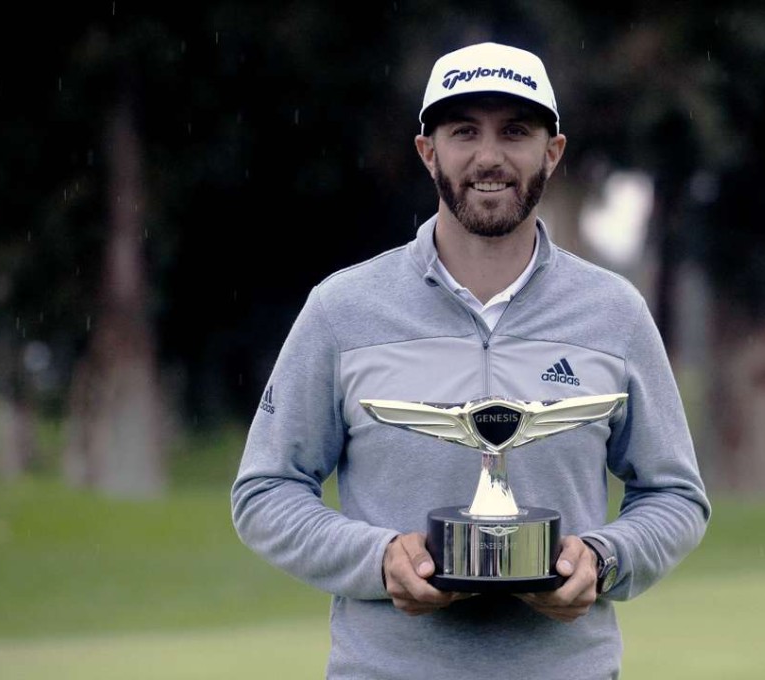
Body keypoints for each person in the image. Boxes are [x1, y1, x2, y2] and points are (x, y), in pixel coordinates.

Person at [231, 41, 711, 679]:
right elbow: (266, 491)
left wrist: (603, 560)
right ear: (428, 151)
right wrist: (379, 559)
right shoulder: (342, 310)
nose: (489, 157)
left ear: (552, 151)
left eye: (515, 131)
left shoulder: (613, 313)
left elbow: (675, 495)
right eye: (464, 132)